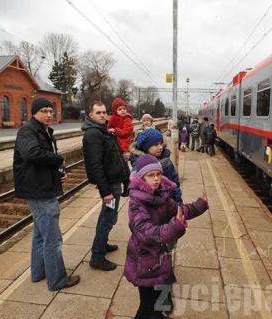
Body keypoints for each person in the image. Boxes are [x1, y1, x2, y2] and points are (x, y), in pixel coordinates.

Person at [124, 154, 208, 318]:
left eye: (158, 174)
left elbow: (179, 210)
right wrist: (174, 227)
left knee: (160, 296)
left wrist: (200, 205)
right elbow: (146, 232)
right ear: (141, 178)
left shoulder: (160, 196)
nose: (156, 179)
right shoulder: (137, 203)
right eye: (151, 175)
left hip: (158, 257)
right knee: (147, 305)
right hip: (144, 260)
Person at [13, 97, 80, 291]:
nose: (49, 114)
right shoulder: (27, 131)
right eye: (44, 111)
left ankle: (39, 272)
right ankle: (57, 280)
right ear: (34, 113)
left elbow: (43, 161)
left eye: (51, 111)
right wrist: (58, 160)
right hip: (39, 192)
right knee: (53, 238)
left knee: (40, 236)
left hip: (42, 186)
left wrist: (58, 173)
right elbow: (32, 154)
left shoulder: (45, 131)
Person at [82, 101, 130, 271]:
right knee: (108, 219)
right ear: (91, 115)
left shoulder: (104, 131)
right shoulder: (93, 134)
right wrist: (105, 191)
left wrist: (126, 178)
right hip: (109, 185)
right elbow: (96, 165)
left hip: (114, 181)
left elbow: (116, 156)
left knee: (106, 217)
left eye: (104, 112)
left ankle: (102, 245)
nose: (103, 115)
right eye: (98, 113)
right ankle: (97, 257)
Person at [134, 128, 182, 203]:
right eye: (156, 145)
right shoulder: (139, 166)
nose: (160, 147)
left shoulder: (166, 162)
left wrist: (179, 203)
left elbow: (175, 183)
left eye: (161, 143)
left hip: (169, 205)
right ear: (146, 147)